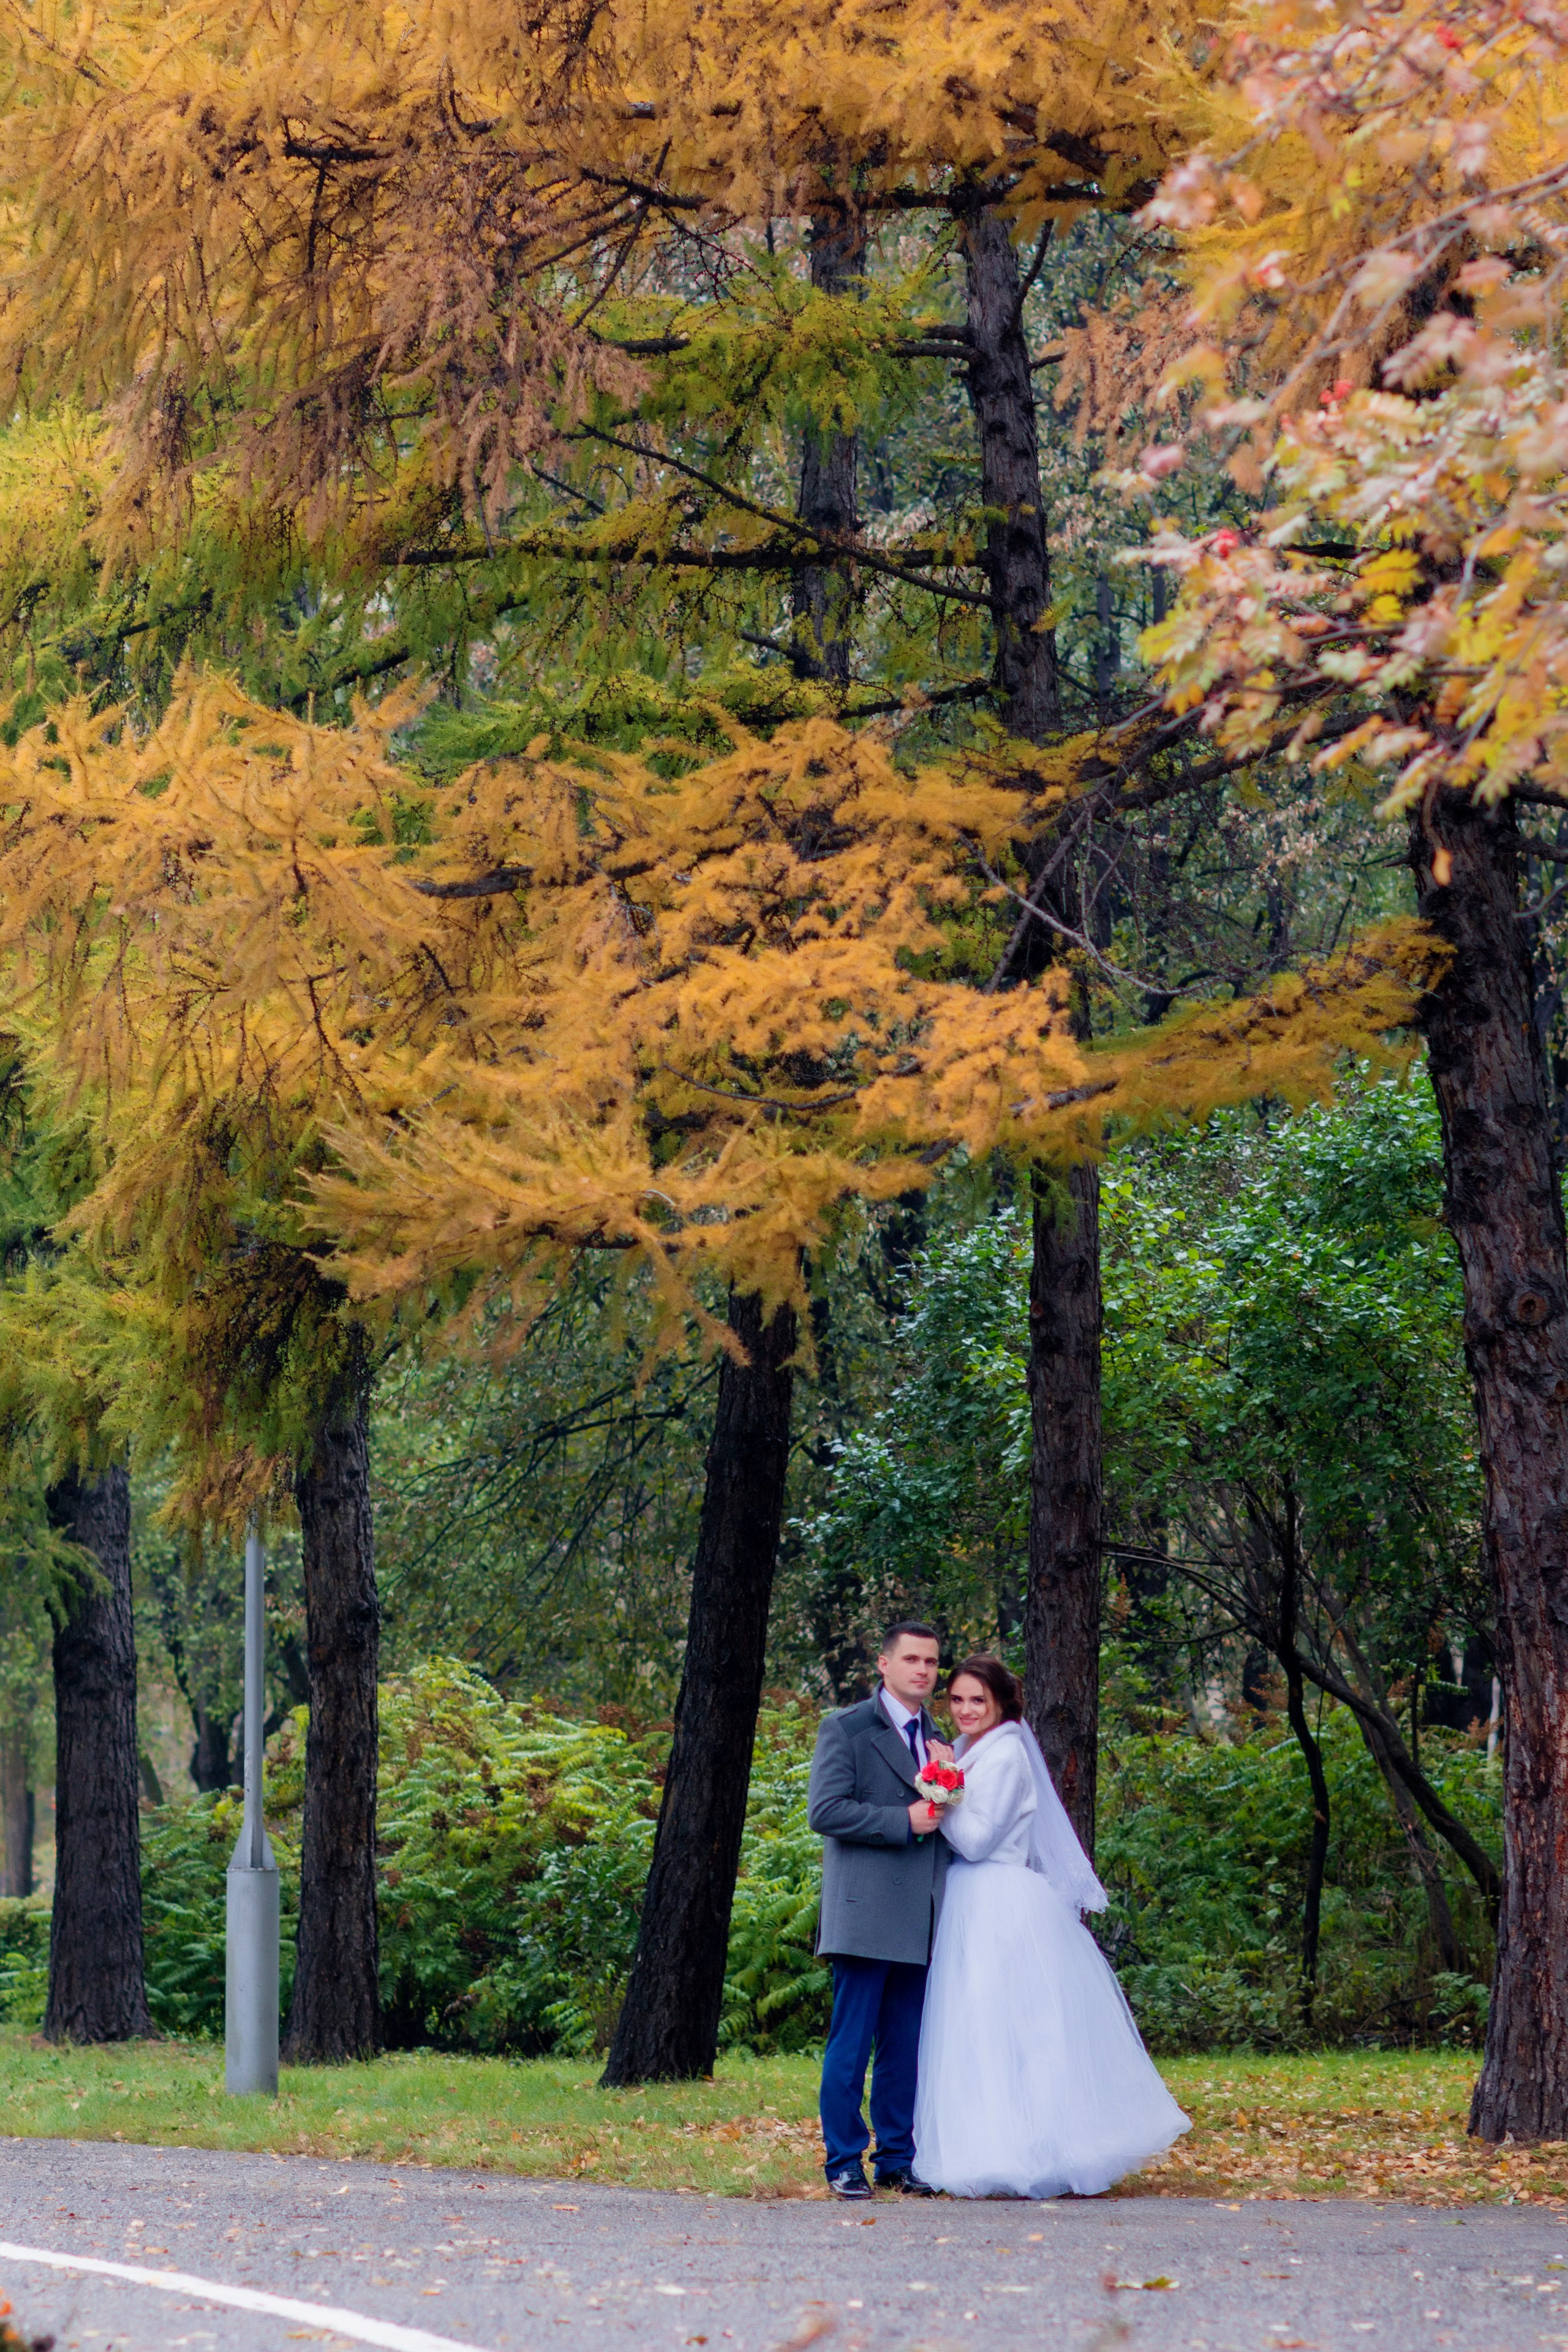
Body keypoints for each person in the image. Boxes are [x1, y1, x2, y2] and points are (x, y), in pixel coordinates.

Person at [911, 1653, 1189, 2199]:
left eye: (978, 1700)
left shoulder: (1006, 1754)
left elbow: (976, 1841)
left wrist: (937, 1788)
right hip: (973, 1899)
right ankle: (990, 2147)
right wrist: (950, 1773)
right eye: (958, 1699)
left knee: (1010, 2027)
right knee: (977, 2026)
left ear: (1001, 1703)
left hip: (998, 1900)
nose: (966, 1710)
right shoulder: (971, 1749)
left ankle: (1032, 2151)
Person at [807, 1621, 951, 2199]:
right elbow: (825, 1811)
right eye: (912, 1659)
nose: (923, 1670)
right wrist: (902, 1821)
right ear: (884, 1665)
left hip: (919, 1913)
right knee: (851, 2046)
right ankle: (844, 2161)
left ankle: (896, 2159)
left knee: (903, 2046)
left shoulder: (939, 1739)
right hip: (864, 1913)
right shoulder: (847, 1727)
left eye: (932, 1662)